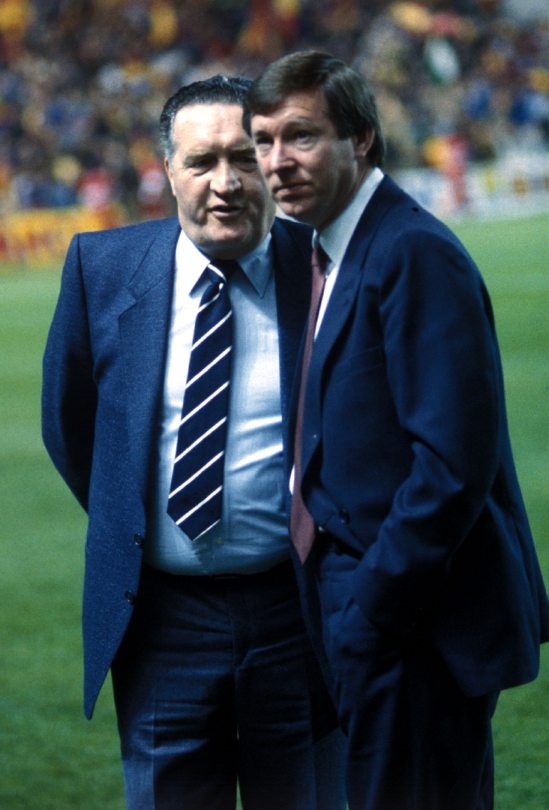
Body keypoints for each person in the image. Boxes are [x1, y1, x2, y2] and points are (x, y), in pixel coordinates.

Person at [245, 51, 549, 810]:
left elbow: (451, 464)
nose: (276, 162)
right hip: (375, 610)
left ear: (361, 140)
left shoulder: (411, 252)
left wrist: (372, 602)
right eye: (263, 140)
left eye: (301, 136)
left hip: (411, 621)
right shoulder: (330, 249)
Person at [42, 75, 346, 810]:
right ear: (167, 172)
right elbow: (70, 423)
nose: (225, 183)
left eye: (244, 158)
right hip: (161, 622)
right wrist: (137, 523)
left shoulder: (329, 269)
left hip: (295, 614)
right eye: (202, 162)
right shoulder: (100, 267)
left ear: (271, 165)